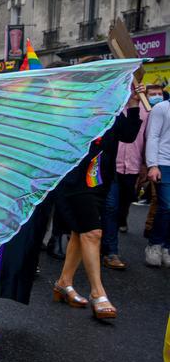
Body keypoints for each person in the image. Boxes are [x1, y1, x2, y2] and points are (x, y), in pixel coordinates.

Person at [52, 81, 143, 318]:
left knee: (79, 233)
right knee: (93, 233)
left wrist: (133, 105)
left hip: (100, 181)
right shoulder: (72, 109)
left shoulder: (110, 112)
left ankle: (64, 282)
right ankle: (97, 293)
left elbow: (129, 135)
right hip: (74, 180)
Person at [101, 97, 149, 269]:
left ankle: (106, 248)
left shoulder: (124, 110)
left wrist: (134, 104)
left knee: (116, 206)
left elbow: (131, 136)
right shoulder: (98, 105)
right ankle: (108, 251)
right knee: (105, 208)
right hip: (96, 168)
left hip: (119, 169)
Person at [144, 91, 170, 267]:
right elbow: (152, 136)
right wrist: (152, 164)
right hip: (164, 162)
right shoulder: (161, 108)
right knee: (167, 206)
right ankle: (154, 244)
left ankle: (167, 247)